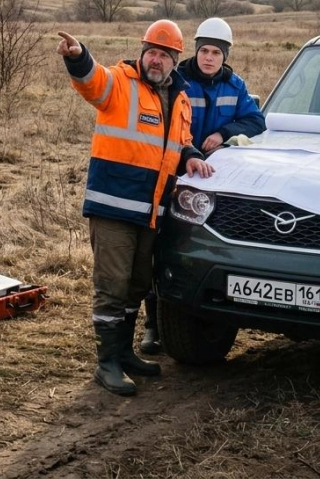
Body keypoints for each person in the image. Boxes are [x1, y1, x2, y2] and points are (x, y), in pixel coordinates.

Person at [57, 20, 214, 396]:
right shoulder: (120, 82)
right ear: (141, 52)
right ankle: (106, 363)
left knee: (139, 283)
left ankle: (125, 354)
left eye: (164, 54)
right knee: (111, 286)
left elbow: (180, 141)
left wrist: (190, 156)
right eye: (151, 52)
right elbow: (92, 81)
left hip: (151, 211)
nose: (155, 60)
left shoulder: (179, 98)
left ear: (176, 60)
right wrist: (79, 57)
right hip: (113, 208)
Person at [139, 17, 266, 355]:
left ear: (225, 56)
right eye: (204, 51)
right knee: (160, 248)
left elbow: (256, 120)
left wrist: (223, 134)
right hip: (173, 174)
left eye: (216, 52)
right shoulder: (177, 81)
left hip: (214, 182)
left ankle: (205, 313)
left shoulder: (235, 86)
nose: (209, 58)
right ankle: (154, 325)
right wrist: (190, 149)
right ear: (195, 51)